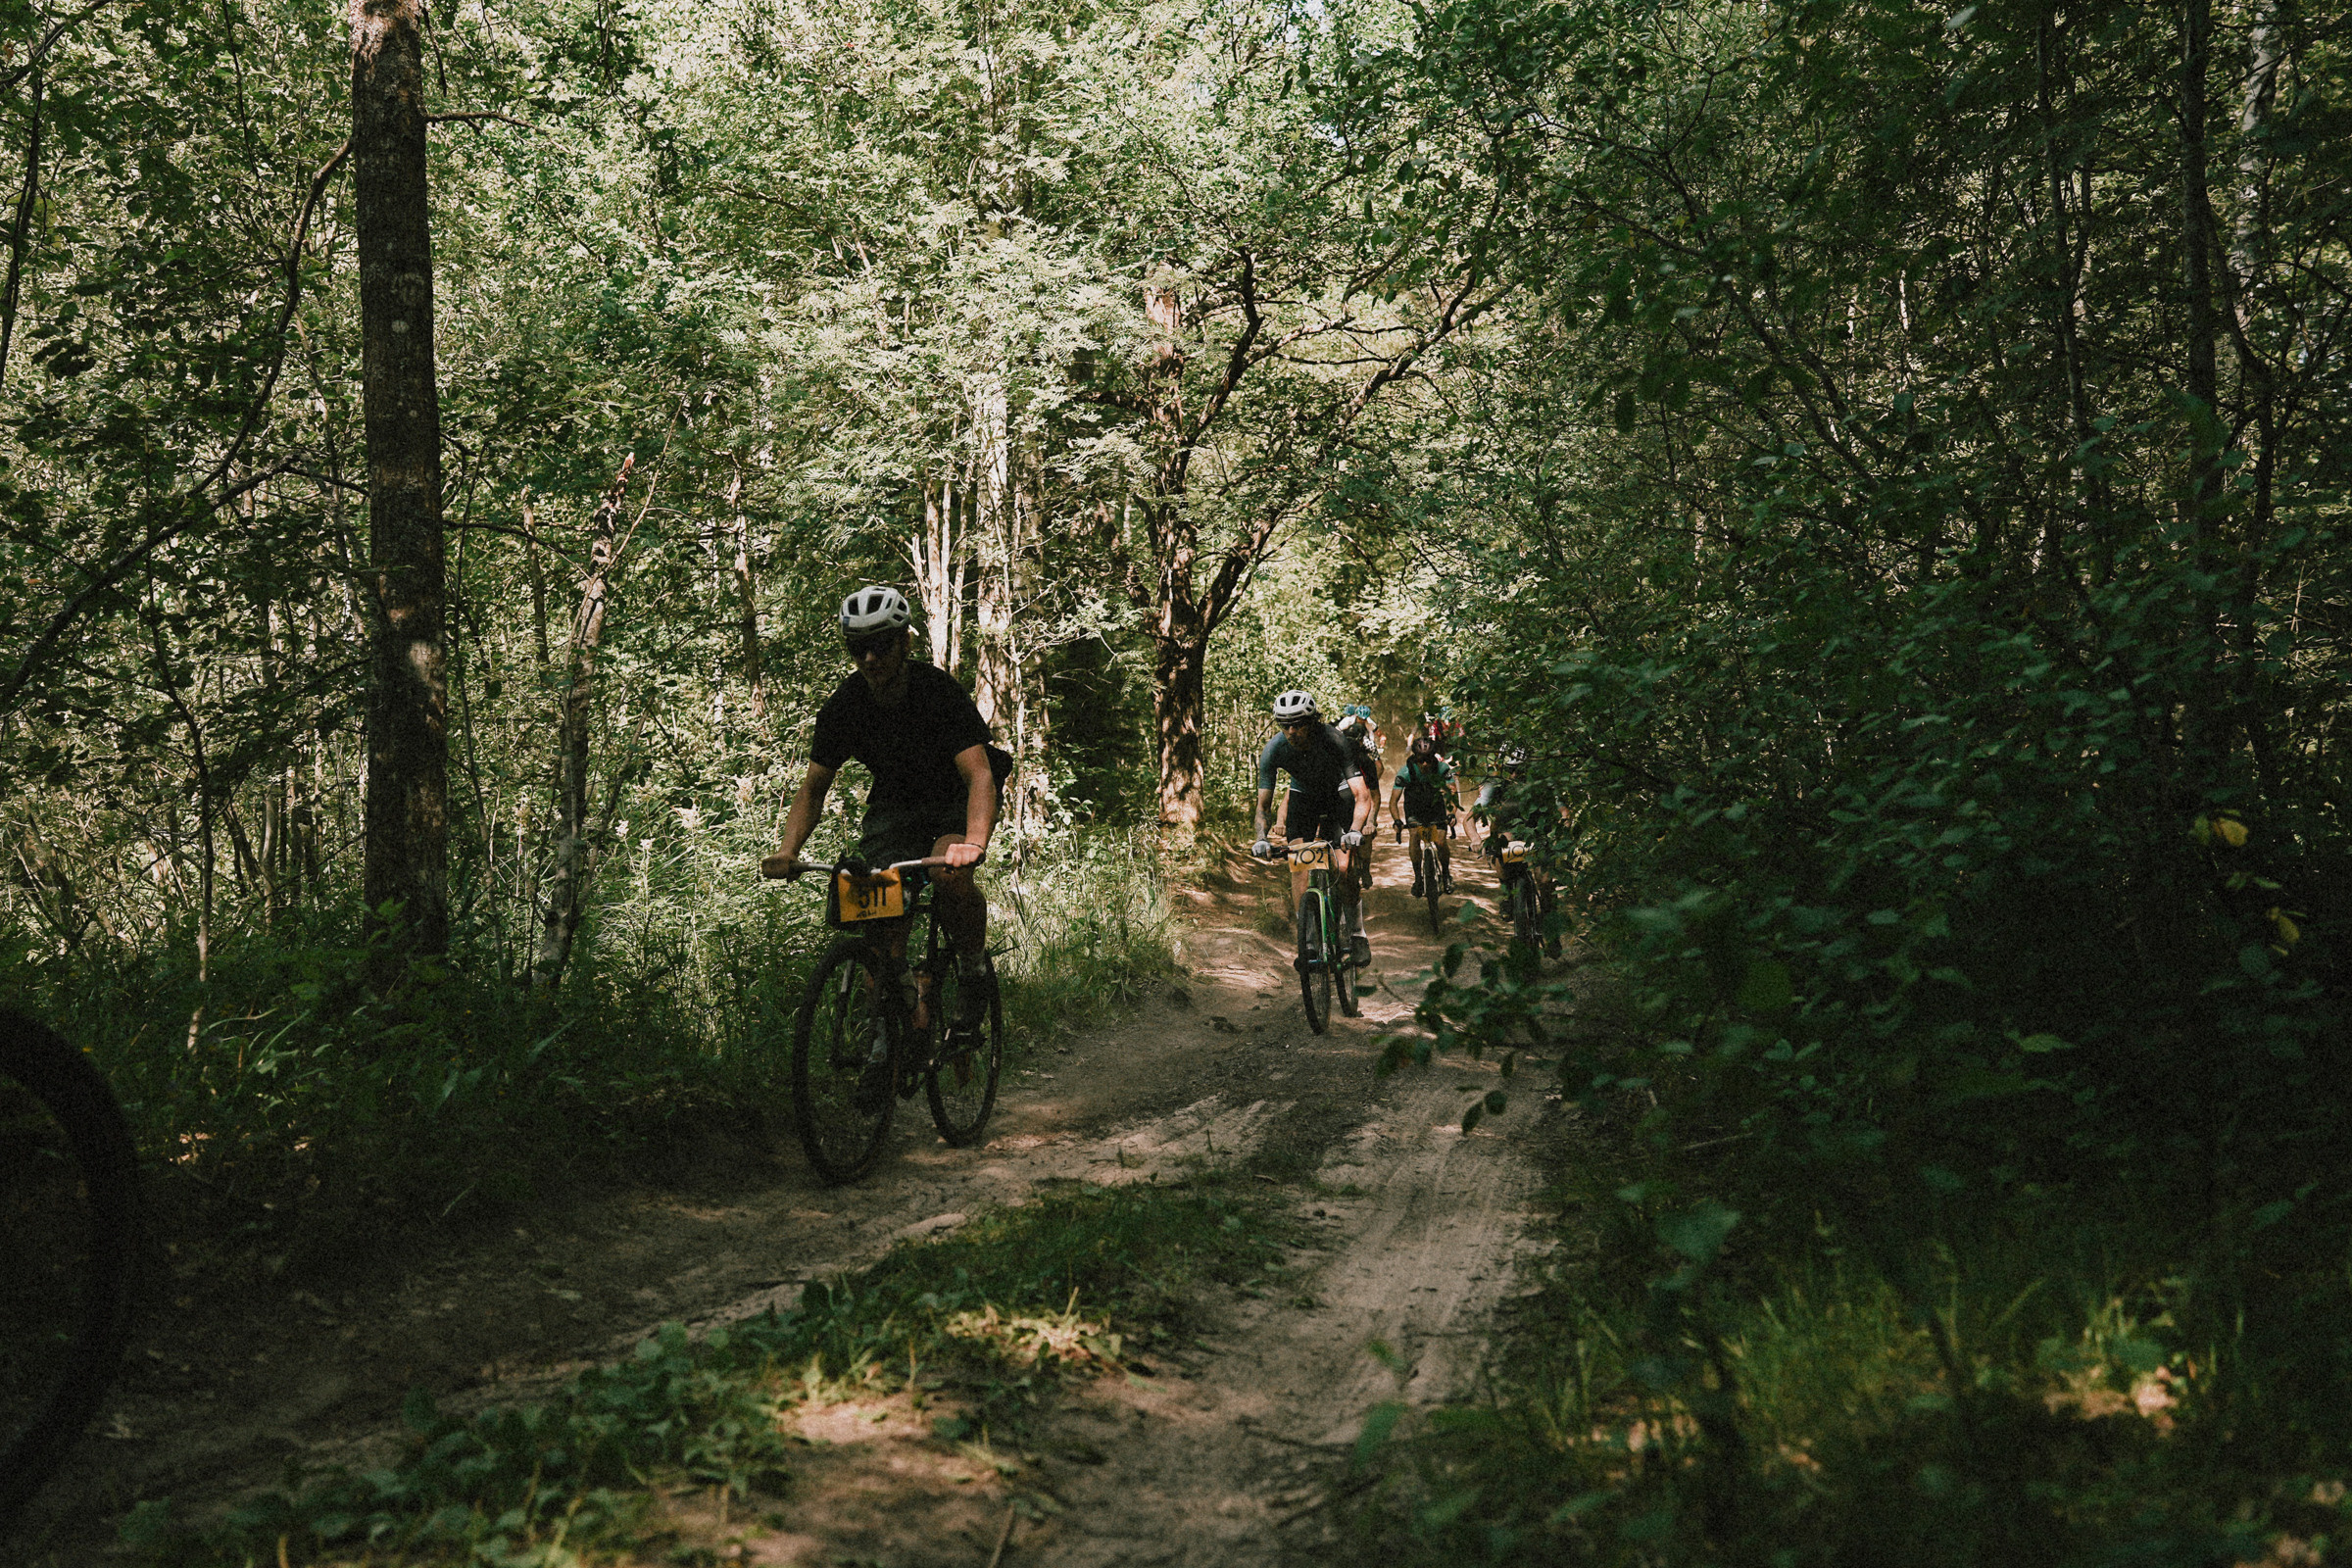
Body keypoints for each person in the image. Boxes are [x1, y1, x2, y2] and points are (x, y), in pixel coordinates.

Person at [761, 586, 1004, 1101]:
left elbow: (979, 775)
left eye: (883, 646)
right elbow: (812, 788)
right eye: (858, 648)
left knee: (946, 874)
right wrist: (788, 849)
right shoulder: (845, 707)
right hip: (895, 806)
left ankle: (974, 970)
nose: (870, 659)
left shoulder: (938, 694)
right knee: (874, 911)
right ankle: (887, 1039)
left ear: (904, 644)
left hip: (953, 797)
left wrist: (973, 844)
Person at [1252, 690, 1377, 967]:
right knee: (1298, 867)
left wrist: (1355, 829)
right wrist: (1261, 838)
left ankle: (1357, 934)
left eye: (1298, 724)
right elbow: (1263, 806)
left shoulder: (1334, 739)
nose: (1292, 731)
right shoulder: (1274, 749)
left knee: (1344, 869)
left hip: (1338, 796)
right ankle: (1308, 941)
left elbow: (1362, 795)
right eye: (1285, 725)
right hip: (1303, 799)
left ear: (1313, 722)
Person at [1390, 732, 1460, 898]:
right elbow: (1393, 802)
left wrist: (1451, 814)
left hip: (1436, 807)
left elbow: (1452, 795)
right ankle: (1418, 879)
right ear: (1415, 757)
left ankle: (1446, 874)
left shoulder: (1442, 769)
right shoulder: (1406, 772)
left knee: (1440, 842)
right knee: (1414, 834)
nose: (1425, 763)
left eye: (1428, 759)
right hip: (1414, 808)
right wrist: (1397, 820)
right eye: (1421, 759)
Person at [1336, 711, 1383, 897]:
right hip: (1340, 804)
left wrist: (1371, 820)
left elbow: (1374, 795)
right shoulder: (1334, 759)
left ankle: (1365, 867)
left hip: (1361, 803)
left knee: (1365, 834)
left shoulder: (1366, 761)